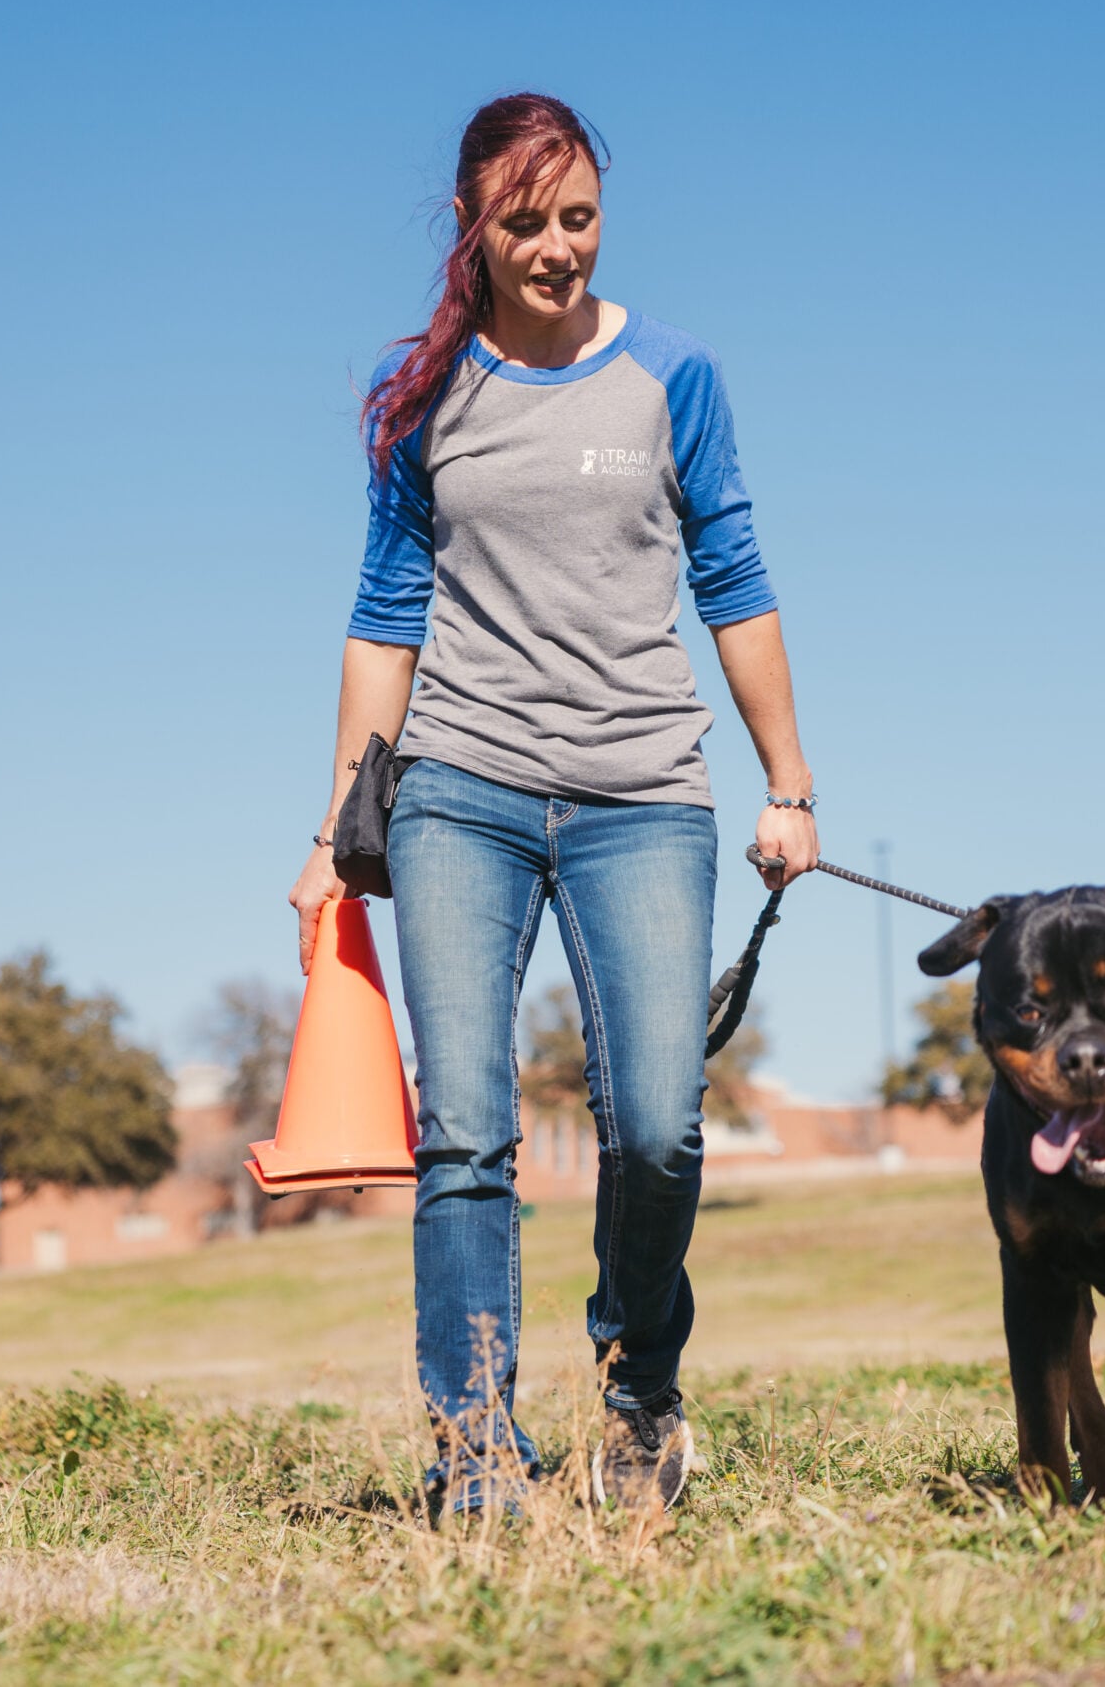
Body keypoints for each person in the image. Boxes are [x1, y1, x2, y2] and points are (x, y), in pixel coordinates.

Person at [286, 93, 819, 1517]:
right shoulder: (428, 399)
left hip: (645, 790)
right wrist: (337, 828)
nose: (558, 249)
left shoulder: (672, 376)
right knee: (466, 1132)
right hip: (461, 790)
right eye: (526, 224)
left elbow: (737, 581)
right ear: (476, 225)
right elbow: (384, 616)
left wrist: (791, 785)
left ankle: (638, 1396)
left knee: (658, 1124)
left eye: (578, 218)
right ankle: (473, 1449)